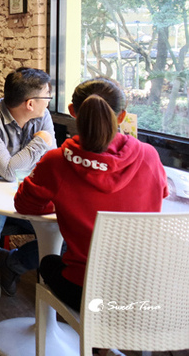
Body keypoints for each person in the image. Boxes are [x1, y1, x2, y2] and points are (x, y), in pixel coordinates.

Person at [14, 78, 168, 310]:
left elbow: (24, 204)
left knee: (49, 262)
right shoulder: (149, 156)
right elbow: (159, 195)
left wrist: (58, 204)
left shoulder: (57, 161)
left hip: (88, 293)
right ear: (122, 116)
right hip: (144, 289)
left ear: (72, 111)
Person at [0, 67, 56, 302]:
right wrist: (40, 143)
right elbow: (9, 172)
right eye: (46, 96)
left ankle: (12, 263)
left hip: (27, 191)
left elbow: (51, 162)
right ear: (30, 103)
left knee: (63, 234)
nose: (49, 101)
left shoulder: (43, 116)